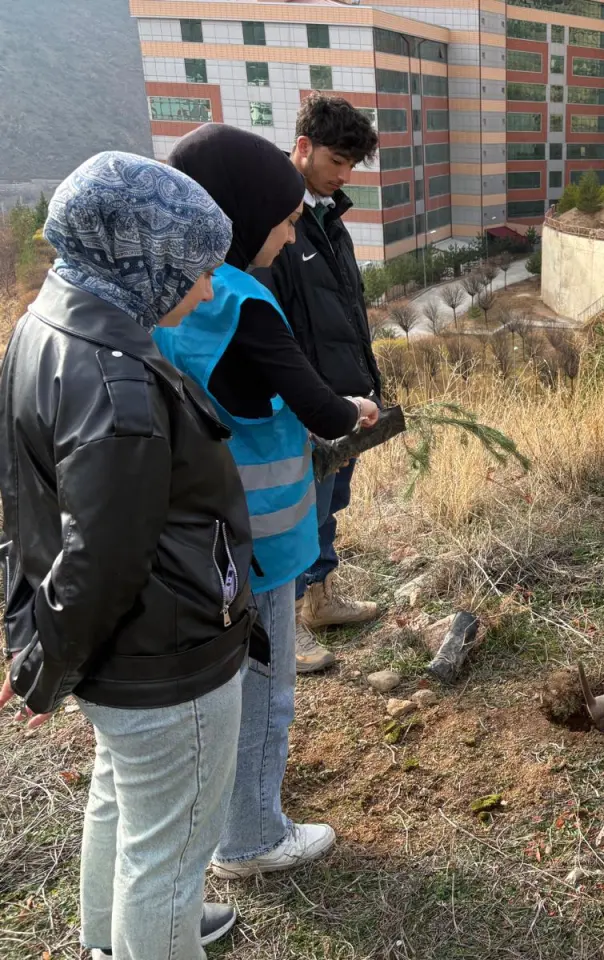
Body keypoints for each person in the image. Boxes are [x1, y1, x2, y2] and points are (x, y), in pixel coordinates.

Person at [0, 152, 253, 959]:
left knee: (123, 798)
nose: (208, 288)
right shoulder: (119, 387)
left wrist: (44, 641)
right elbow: (103, 559)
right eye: (195, 269)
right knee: (171, 854)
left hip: (117, 660)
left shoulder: (48, 324)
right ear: (141, 259)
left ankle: (112, 938)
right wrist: (48, 661)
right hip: (163, 659)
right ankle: (153, 930)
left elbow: (30, 506)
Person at [157, 124, 378, 880]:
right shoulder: (242, 302)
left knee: (214, 698)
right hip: (264, 544)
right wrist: (354, 411)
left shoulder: (167, 296)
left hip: (192, 539)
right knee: (264, 693)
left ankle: (222, 820)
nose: (289, 237)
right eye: (283, 221)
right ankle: (250, 839)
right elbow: (321, 408)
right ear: (242, 215)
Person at [257, 94, 382, 674]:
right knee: (294, 510)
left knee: (330, 501)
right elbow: (273, 325)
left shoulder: (329, 217)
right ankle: (285, 626)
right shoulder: (272, 220)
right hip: (299, 402)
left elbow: (345, 310)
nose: (344, 173)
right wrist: (304, 397)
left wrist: (363, 384)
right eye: (337, 159)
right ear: (303, 147)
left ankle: (320, 600)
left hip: (341, 395)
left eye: (353, 163)